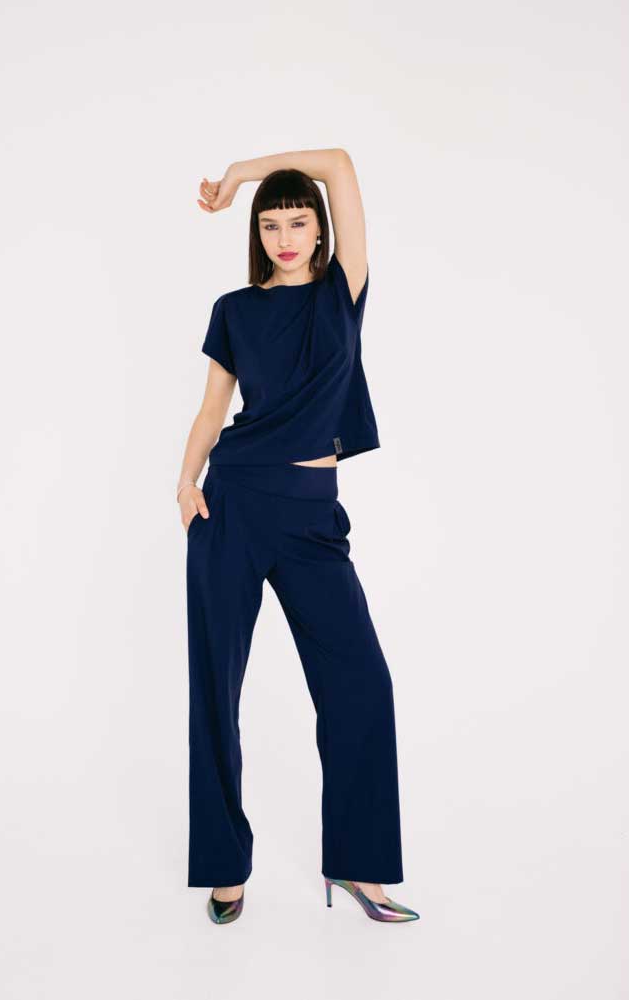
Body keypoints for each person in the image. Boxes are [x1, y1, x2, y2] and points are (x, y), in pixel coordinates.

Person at [177, 148, 419, 925]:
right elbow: (212, 407)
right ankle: (224, 868)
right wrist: (185, 480)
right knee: (215, 686)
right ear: (257, 237)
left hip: (312, 516)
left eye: (297, 221)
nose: (284, 237)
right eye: (270, 226)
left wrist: (240, 174)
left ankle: (357, 863)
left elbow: (340, 165)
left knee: (361, 683)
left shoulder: (341, 293)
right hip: (233, 503)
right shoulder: (234, 310)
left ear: (320, 230)